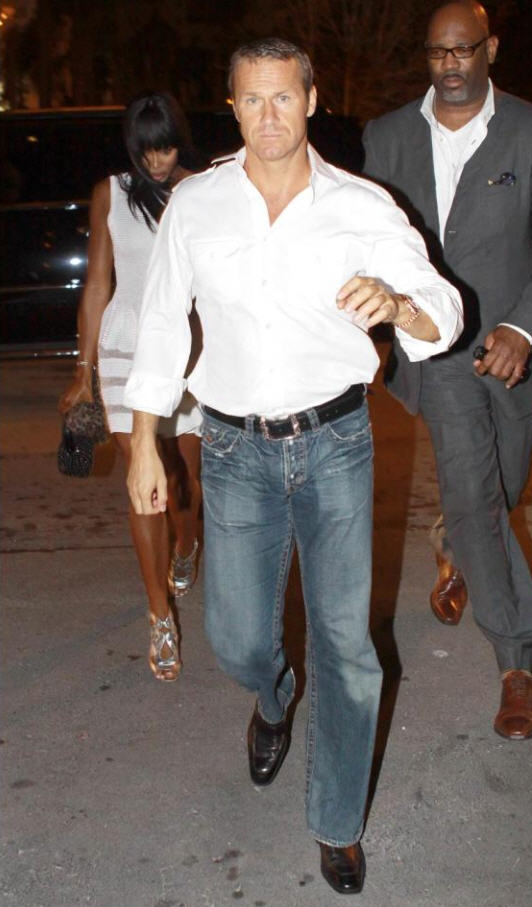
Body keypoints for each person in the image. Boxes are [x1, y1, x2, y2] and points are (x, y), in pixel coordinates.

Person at [124, 38, 462, 894]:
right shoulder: (196, 204)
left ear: (310, 100)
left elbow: (444, 307)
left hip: (336, 443)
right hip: (232, 448)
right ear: (231, 107)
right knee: (236, 638)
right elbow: (161, 321)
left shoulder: (361, 206)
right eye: (252, 99)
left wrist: (398, 305)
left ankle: (336, 822)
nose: (268, 115)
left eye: (283, 97)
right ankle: (272, 695)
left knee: (348, 646)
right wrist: (143, 440)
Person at [363, 1, 532, 739]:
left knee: (500, 491)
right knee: (474, 495)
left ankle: (457, 543)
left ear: (490, 48)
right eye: (437, 53)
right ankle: (516, 663)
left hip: (513, 346)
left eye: (462, 50)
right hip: (439, 351)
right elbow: (370, 236)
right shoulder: (388, 137)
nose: (449, 65)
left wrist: (522, 325)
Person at [59, 92, 203, 683]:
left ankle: (186, 545)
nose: (157, 162)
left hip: (189, 347)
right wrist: (83, 370)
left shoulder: (200, 189)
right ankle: (159, 615)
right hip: (126, 342)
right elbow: (98, 282)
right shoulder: (111, 194)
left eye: (165, 148)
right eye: (146, 151)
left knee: (186, 481)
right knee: (146, 484)